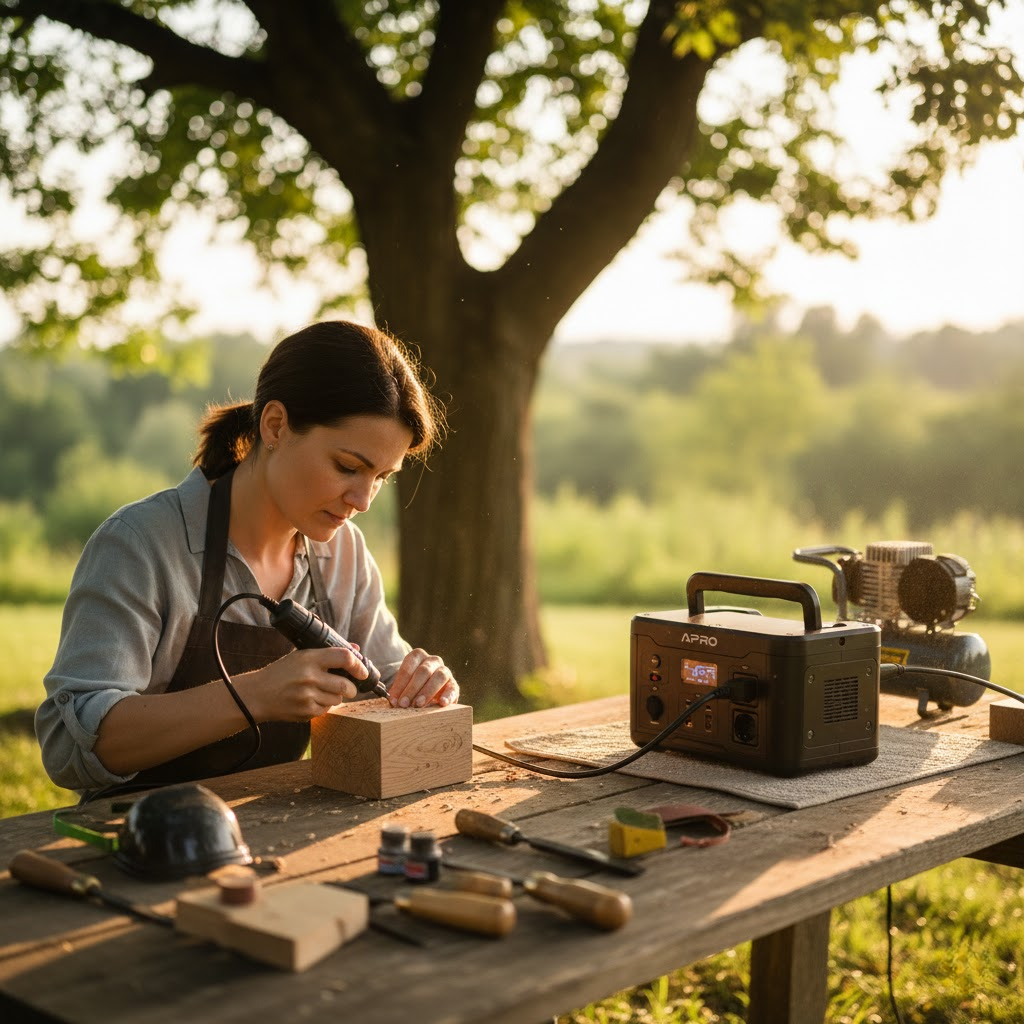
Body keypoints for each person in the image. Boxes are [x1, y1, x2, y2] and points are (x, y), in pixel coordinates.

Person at [36, 320, 458, 798]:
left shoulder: (345, 553)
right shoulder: (140, 544)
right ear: (275, 425)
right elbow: (68, 749)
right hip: (137, 838)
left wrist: (424, 690)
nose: (363, 500)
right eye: (347, 467)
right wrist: (255, 694)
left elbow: (385, 684)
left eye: (381, 477)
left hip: (274, 829)